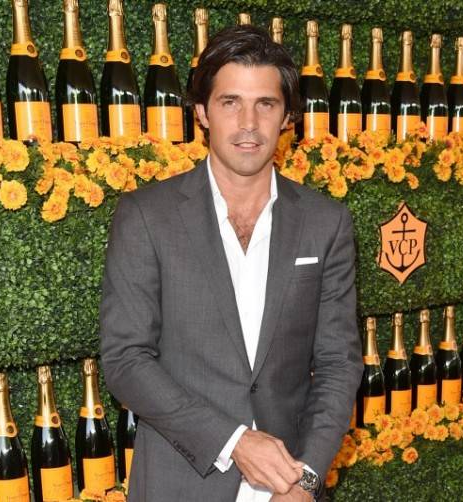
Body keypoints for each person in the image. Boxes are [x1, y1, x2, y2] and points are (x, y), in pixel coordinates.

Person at [99, 24, 362, 502]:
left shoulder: (326, 222)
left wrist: (306, 479)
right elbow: (125, 360)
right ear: (201, 112)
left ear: (287, 117)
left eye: (266, 104)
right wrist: (234, 441)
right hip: (181, 484)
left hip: (290, 484)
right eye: (230, 102)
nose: (248, 123)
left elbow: (337, 363)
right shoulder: (146, 216)